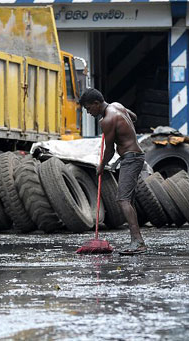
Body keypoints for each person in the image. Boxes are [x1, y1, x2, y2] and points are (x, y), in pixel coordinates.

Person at [79, 88, 147, 255]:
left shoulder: (107, 120)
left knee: (122, 200)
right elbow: (134, 117)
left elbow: (109, 151)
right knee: (127, 200)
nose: (88, 112)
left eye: (89, 108)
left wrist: (101, 166)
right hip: (135, 156)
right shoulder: (117, 106)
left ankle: (138, 243)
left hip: (131, 158)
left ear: (96, 103)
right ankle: (137, 241)